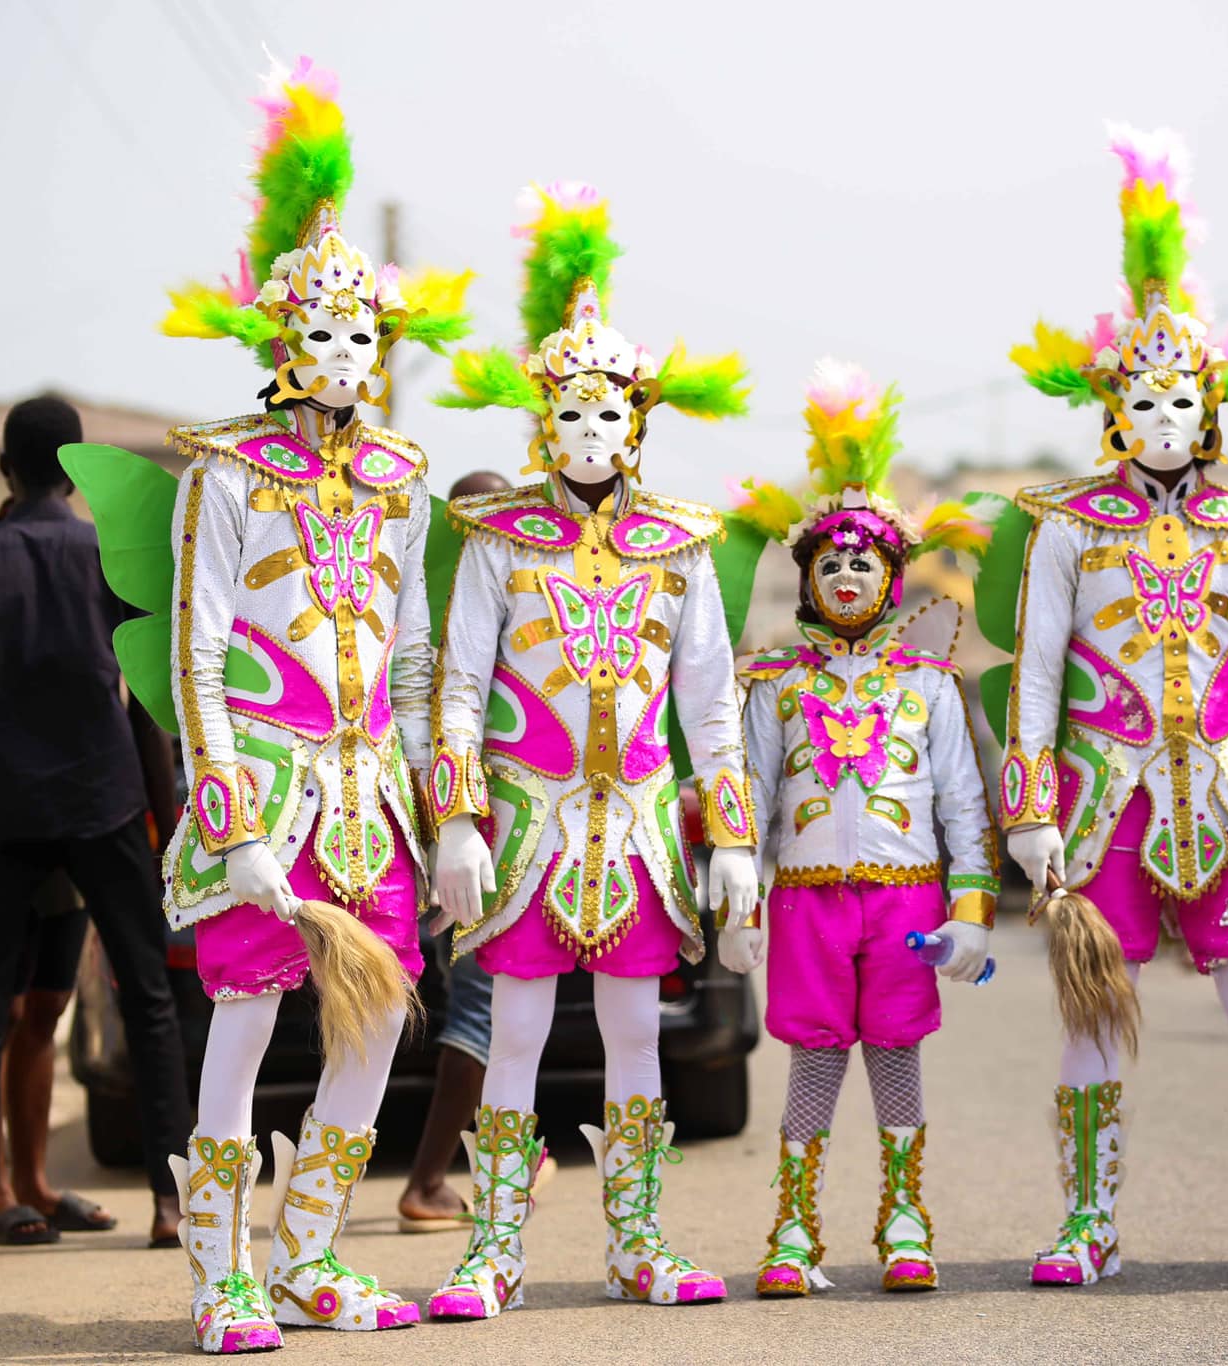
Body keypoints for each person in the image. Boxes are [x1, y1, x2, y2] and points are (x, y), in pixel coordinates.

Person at [123, 56, 470, 1353]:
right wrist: (232, 820)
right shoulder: (229, 471)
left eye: (360, 334)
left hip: (372, 795)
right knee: (245, 1018)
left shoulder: (396, 475)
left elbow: (422, 656)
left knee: (380, 1017)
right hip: (263, 786)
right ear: (278, 340)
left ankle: (313, 1249)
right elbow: (196, 660)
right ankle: (218, 1271)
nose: (340, 354)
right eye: (318, 332)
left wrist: (451, 813)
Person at [995, 125, 1228, 1284]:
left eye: (1178, 397)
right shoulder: (1066, 526)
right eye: (1138, 397)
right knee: (1093, 1018)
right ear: (1112, 409)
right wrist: (1027, 808)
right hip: (1102, 806)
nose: (1157, 416)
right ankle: (1086, 1224)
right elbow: (1036, 675)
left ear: (1207, 409)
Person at [428, 183, 758, 1317]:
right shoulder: (499, 540)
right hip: (529, 818)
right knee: (513, 1025)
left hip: (641, 823)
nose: (586, 434)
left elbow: (709, 700)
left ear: (636, 424)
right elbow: (460, 685)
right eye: (566, 416)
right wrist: (456, 819)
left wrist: (732, 838)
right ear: (542, 425)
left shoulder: (680, 547)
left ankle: (638, 1241)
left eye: (605, 414)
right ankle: (493, 1249)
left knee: (632, 1029)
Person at [721, 361, 997, 1295]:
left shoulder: (929, 687)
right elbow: (751, 802)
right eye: (829, 560)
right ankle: (795, 1226)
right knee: (813, 1052)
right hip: (804, 902)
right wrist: (740, 904)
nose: (845, 573)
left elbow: (964, 804)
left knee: (895, 1049)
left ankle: (906, 1217)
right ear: (808, 577)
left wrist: (973, 912)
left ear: (891, 579)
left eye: (863, 561)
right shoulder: (775, 686)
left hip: (908, 901)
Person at [0, 392, 192, 1269]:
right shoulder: (114, 558)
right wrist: (174, 818)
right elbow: (147, 701)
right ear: (75, 467)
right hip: (105, 802)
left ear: (5, 469)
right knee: (149, 1000)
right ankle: (169, 1206)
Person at [398, 469, 520, 1234]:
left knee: (495, 1006)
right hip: (482, 836)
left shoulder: (428, 606)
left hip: (438, 835)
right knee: (481, 1008)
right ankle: (428, 1179)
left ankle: (489, 1164)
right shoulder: (489, 611)